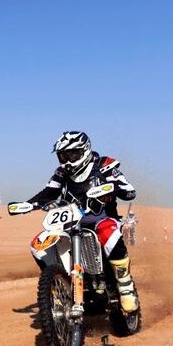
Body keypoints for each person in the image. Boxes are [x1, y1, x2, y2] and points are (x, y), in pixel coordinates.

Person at [27, 131, 139, 313]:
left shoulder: (104, 165)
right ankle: (59, 283)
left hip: (101, 219)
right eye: (63, 156)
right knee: (39, 243)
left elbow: (129, 191)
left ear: (84, 150)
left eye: (71, 154)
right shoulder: (62, 173)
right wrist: (28, 204)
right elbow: (48, 191)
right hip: (70, 223)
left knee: (107, 231)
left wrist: (111, 188)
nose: (67, 160)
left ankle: (125, 285)